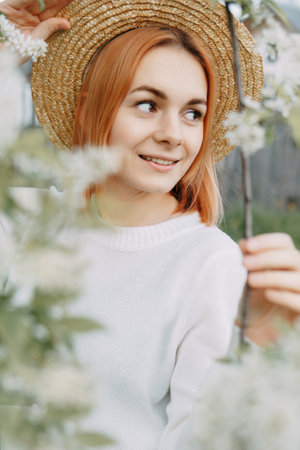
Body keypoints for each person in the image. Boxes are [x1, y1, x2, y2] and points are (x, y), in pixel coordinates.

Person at [1, 0, 300, 448]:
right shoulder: (24, 221)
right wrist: (8, 50)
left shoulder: (213, 266)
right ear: (87, 108)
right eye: (147, 104)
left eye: (192, 113)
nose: (173, 134)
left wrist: (261, 347)